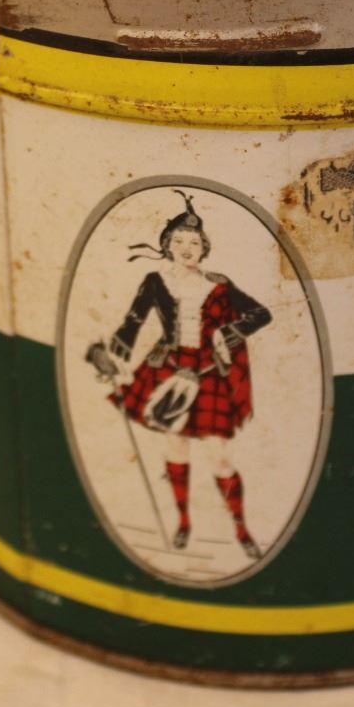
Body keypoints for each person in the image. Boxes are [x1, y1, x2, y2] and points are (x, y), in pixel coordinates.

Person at [85, 192, 273, 558]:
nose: (187, 249)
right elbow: (133, 321)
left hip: (208, 371)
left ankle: (241, 528)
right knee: (176, 447)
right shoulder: (155, 281)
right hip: (168, 368)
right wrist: (116, 355)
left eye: (195, 243)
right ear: (168, 246)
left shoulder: (218, 285)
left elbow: (261, 313)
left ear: (204, 248)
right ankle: (184, 522)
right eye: (180, 242)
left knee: (219, 455)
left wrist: (228, 333)